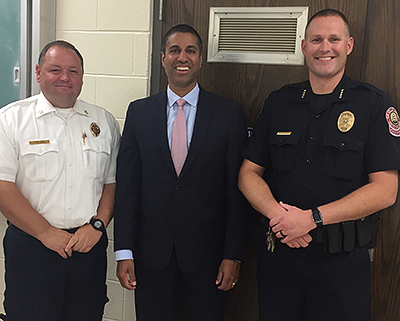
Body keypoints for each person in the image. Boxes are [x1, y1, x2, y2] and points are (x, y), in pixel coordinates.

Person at [238, 8, 400, 321]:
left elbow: (385, 191)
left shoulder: (373, 104)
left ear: (349, 45)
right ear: (304, 47)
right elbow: (248, 174)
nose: (324, 47)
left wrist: (312, 219)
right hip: (279, 258)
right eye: (316, 40)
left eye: (333, 39)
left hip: (341, 263)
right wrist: (280, 217)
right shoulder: (279, 102)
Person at [113, 24, 248, 321]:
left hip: (209, 256)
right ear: (163, 58)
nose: (182, 57)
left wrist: (232, 254)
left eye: (190, 50)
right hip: (151, 254)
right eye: (174, 50)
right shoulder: (139, 112)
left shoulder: (228, 114)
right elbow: (127, 188)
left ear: (200, 60)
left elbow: (236, 191)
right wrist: (124, 251)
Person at [0, 40, 120, 320]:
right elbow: (2, 186)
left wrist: (98, 226)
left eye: (73, 71)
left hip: (87, 246)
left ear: (82, 76)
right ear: (39, 73)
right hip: (32, 246)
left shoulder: (104, 122)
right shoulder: (11, 120)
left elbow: (111, 184)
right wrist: (45, 232)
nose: (65, 77)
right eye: (56, 70)